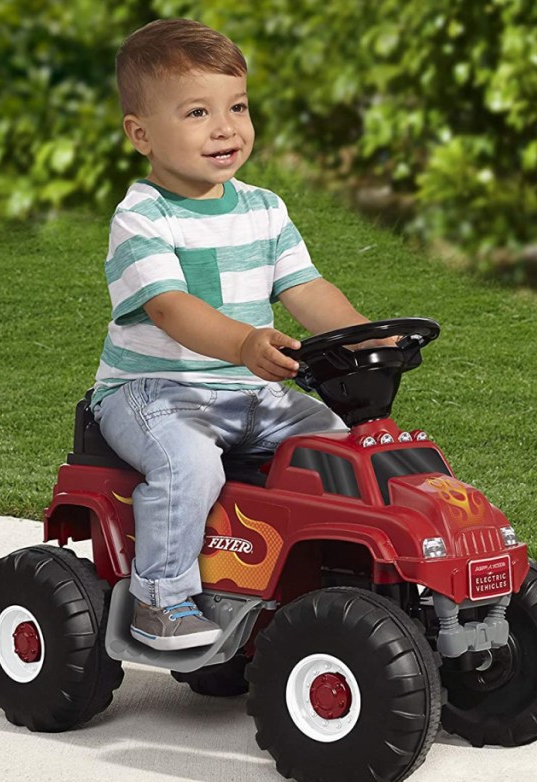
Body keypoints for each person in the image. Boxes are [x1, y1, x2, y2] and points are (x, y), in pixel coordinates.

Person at [91, 18, 380, 651]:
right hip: (152, 394)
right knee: (189, 467)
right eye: (197, 112)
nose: (226, 128)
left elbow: (305, 289)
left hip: (253, 397)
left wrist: (363, 336)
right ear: (140, 134)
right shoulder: (142, 216)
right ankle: (159, 597)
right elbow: (170, 309)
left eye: (238, 107)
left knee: (338, 447)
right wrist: (246, 345)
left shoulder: (263, 208)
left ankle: (310, 578)